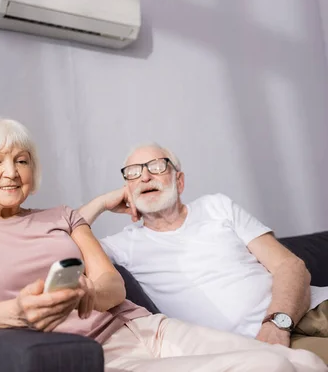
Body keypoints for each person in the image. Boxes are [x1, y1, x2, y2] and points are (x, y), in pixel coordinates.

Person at [0, 117, 327, 371]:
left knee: (303, 361)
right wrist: (20, 311)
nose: (11, 172)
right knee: (270, 368)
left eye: (21, 161)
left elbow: (111, 283)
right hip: (98, 354)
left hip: (148, 327)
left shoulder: (62, 216)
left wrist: (87, 292)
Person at [79, 142, 328, 365]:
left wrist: (277, 323)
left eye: (156, 167)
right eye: (133, 173)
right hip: (260, 346)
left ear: (179, 181)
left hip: (309, 309)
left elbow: (290, 266)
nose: (145, 177)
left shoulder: (217, 206)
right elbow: (58, 245)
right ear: (127, 190)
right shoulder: (122, 246)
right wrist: (100, 203)